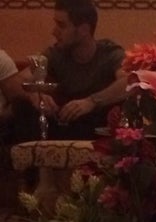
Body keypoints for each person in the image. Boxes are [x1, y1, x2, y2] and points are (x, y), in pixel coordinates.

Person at [12, 0, 127, 141]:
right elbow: (18, 80)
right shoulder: (56, 53)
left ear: (84, 29)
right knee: (22, 106)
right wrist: (34, 95)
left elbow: (129, 81)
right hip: (66, 126)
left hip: (99, 128)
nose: (54, 32)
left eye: (61, 25)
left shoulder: (109, 53)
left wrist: (91, 102)